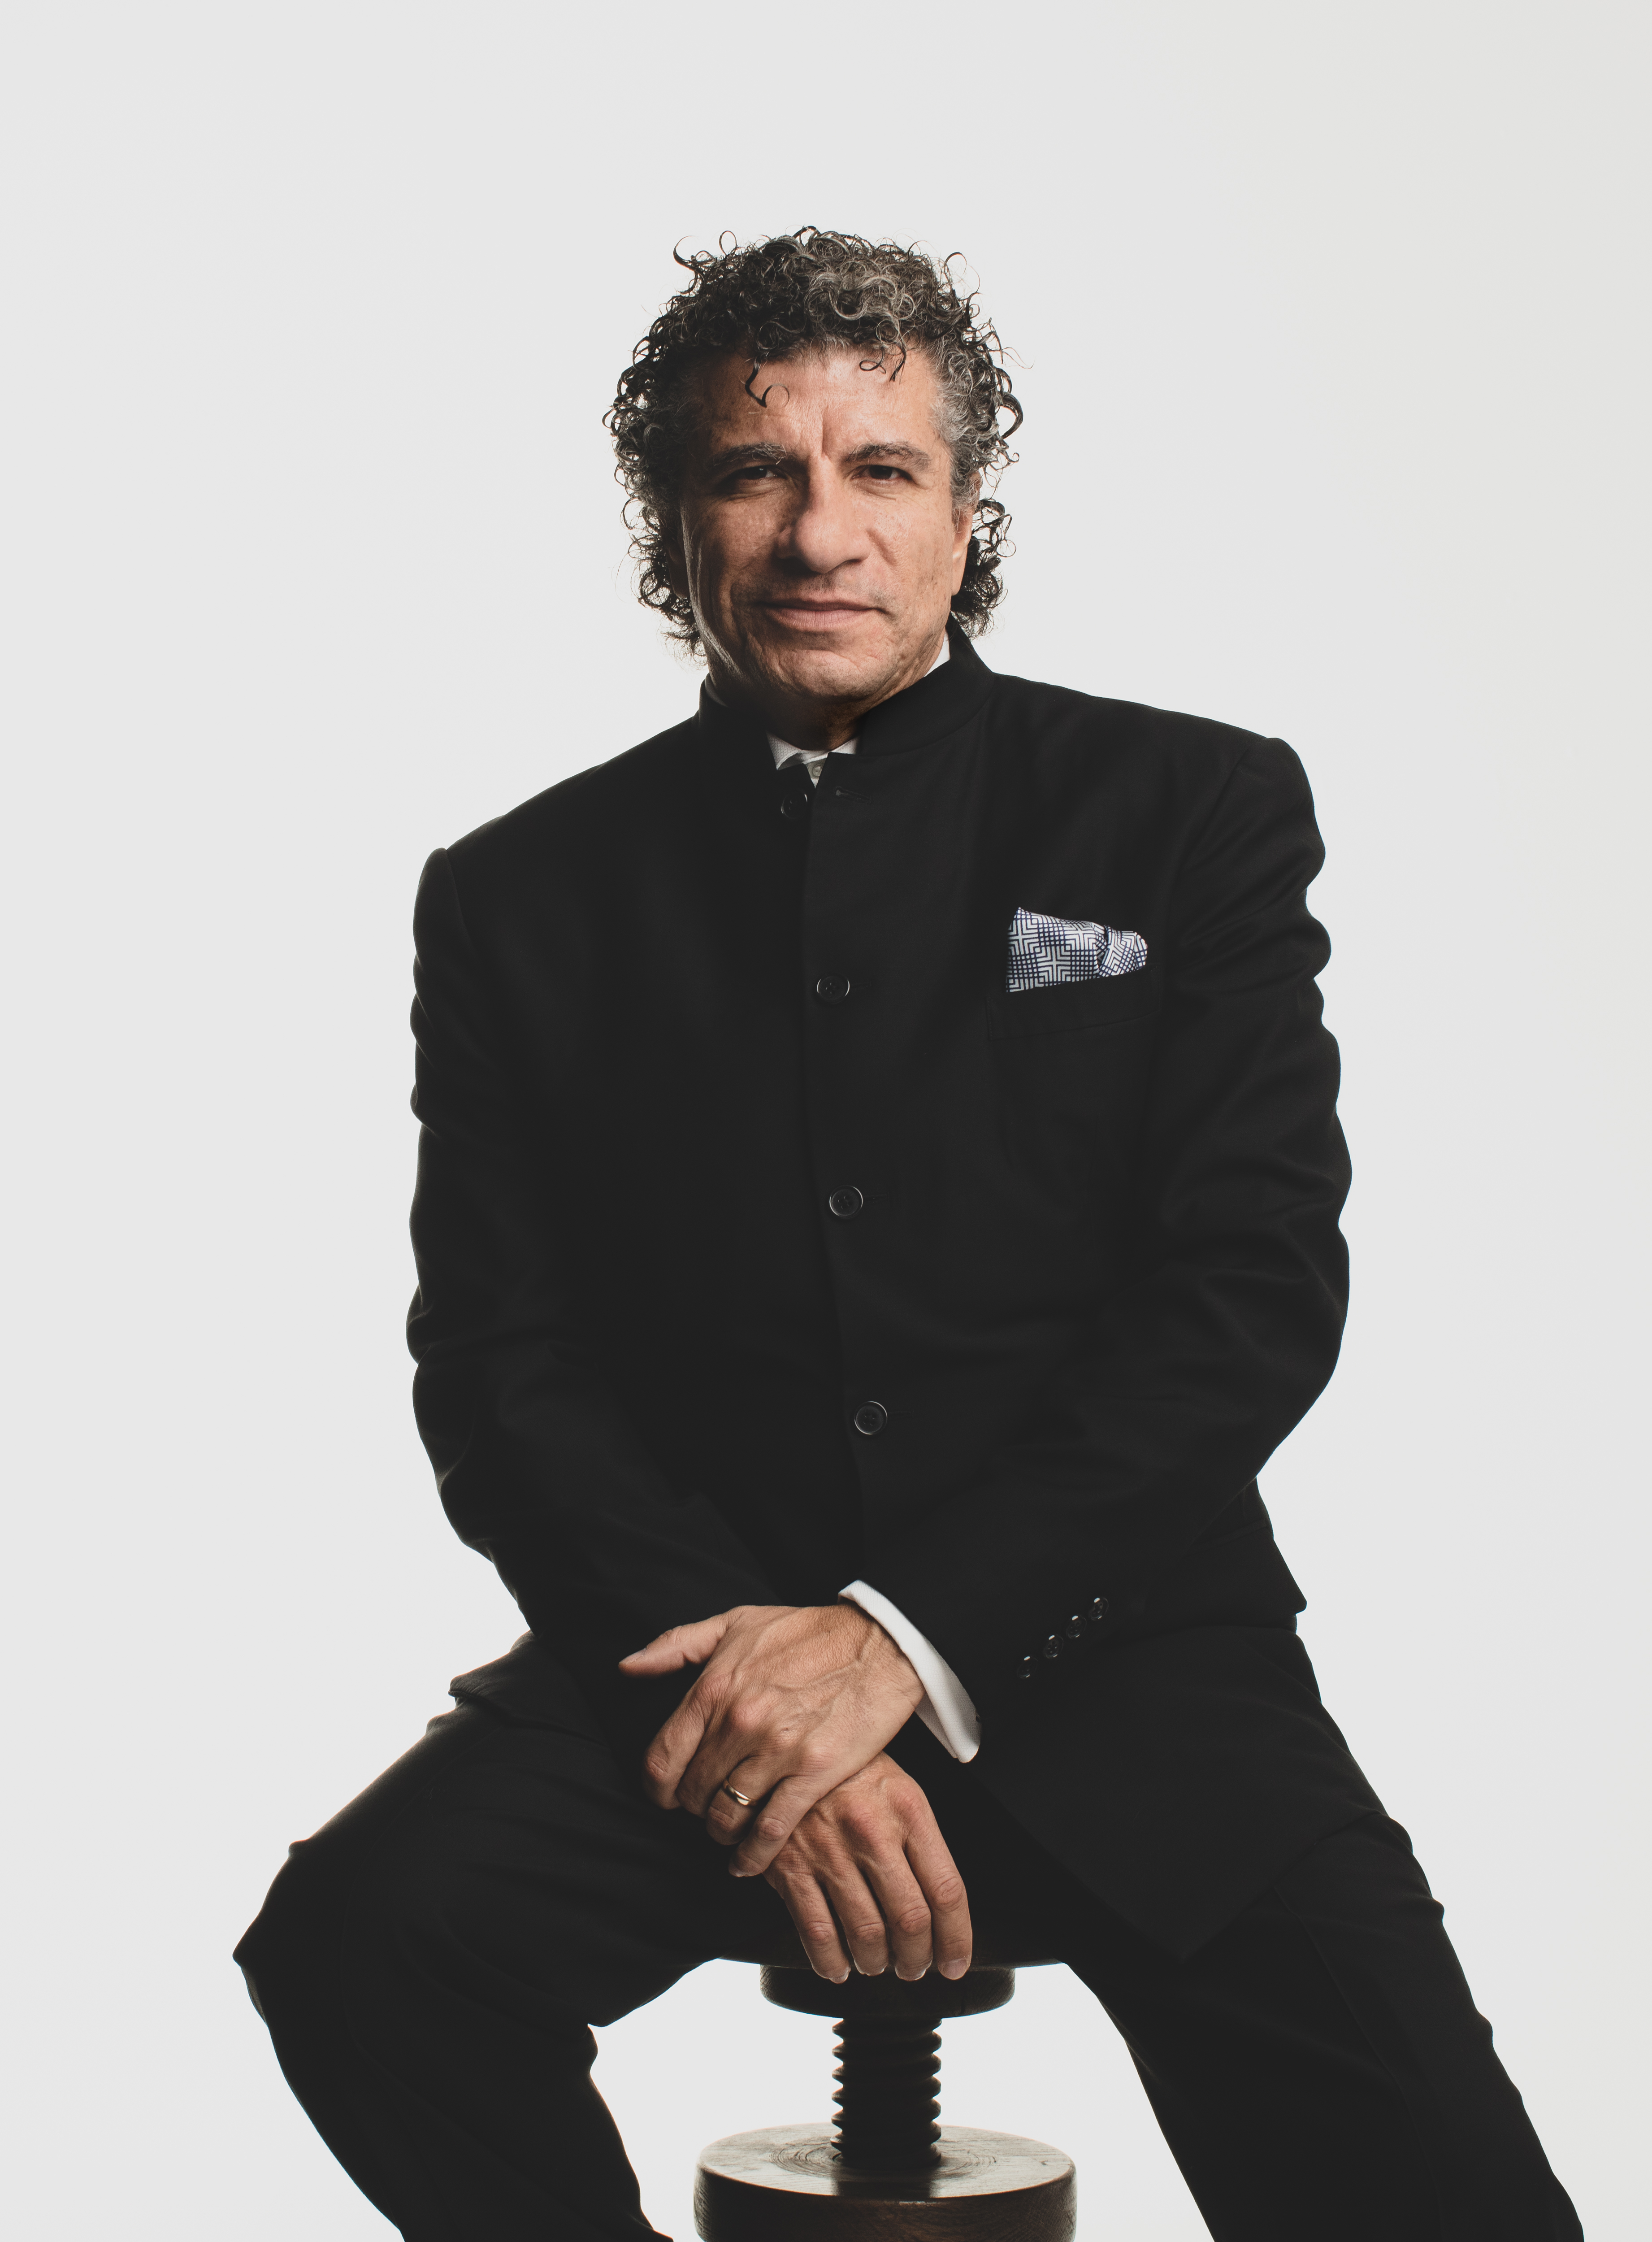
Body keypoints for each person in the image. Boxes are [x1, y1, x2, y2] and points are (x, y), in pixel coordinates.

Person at [234, 229, 1579, 2242]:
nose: (816, 530)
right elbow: (504, 1369)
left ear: (965, 516)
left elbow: (1247, 1296)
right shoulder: (519, 894)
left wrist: (897, 1647)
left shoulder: (1185, 811)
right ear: (671, 519)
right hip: (695, 1674)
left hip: (1124, 1660)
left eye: (880, 470)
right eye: (752, 470)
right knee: (361, 1941)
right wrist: (762, 1706)